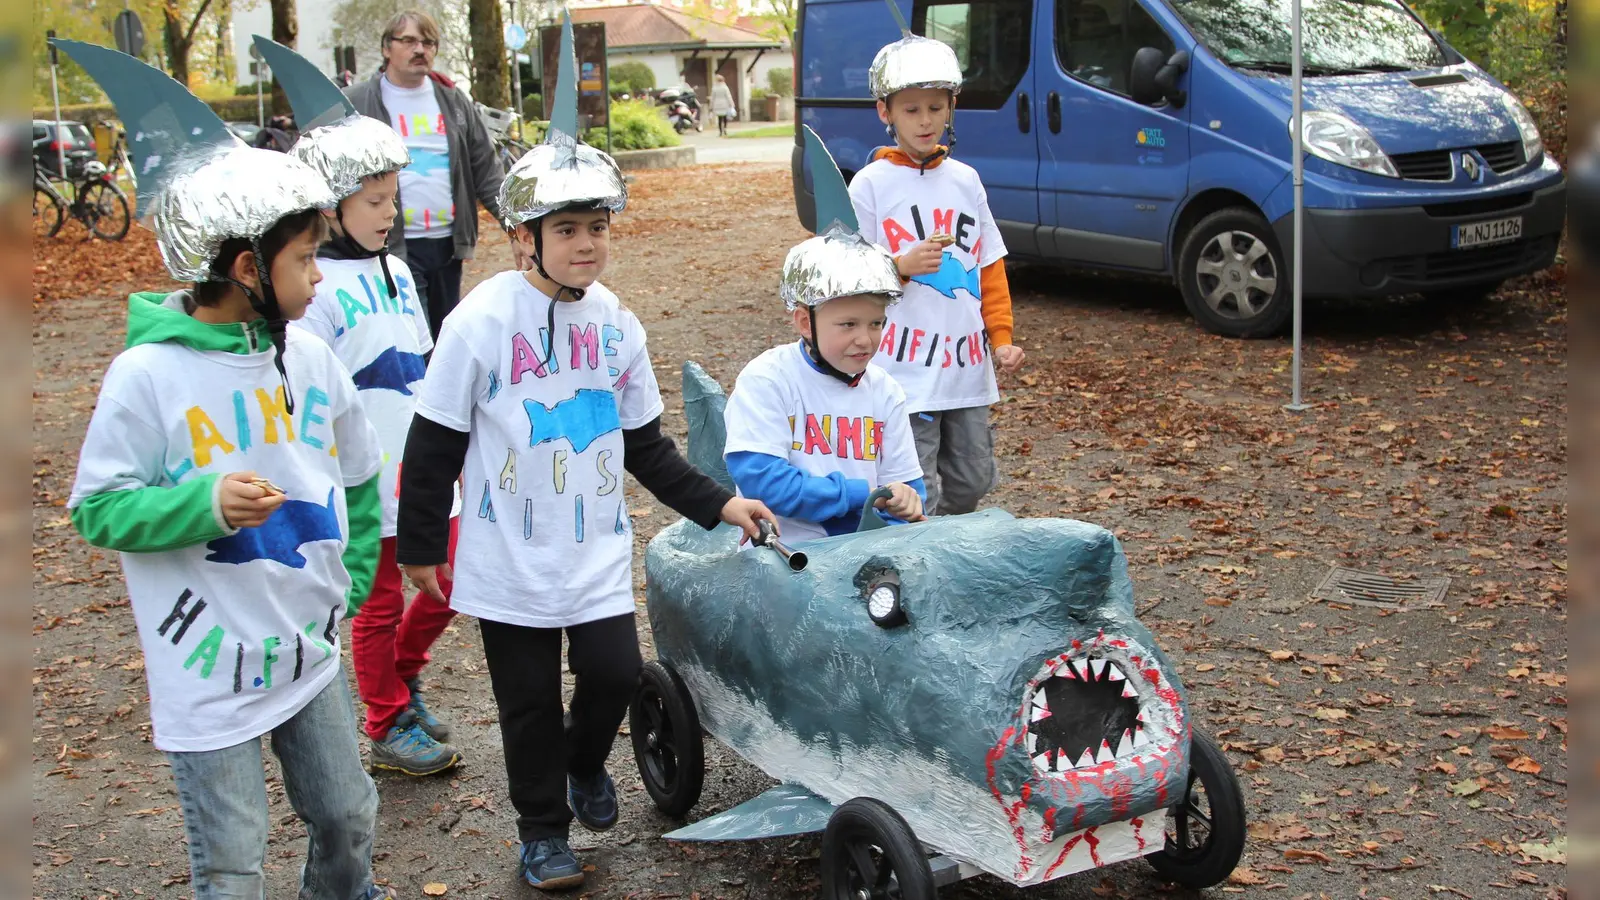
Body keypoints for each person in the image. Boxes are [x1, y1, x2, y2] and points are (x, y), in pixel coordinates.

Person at [393, 14, 776, 892]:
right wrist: (420, 545)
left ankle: (582, 762)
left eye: (597, 226)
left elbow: (646, 446)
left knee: (611, 675)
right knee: (524, 703)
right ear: (522, 236)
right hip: (506, 554)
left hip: (592, 548)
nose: (588, 244)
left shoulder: (616, 326)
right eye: (567, 229)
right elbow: (436, 438)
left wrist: (721, 503)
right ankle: (541, 830)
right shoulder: (480, 321)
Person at [55, 39, 391, 900]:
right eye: (304, 260)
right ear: (246, 270)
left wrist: (348, 579)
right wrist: (202, 504)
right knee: (234, 865)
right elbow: (98, 511)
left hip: (304, 655)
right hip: (208, 676)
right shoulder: (147, 376)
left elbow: (355, 472)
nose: (320, 278)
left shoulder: (310, 356)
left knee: (349, 817)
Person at [254, 35, 465, 778]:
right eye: (374, 202)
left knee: (451, 580)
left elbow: (425, 363)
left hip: (426, 469)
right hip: (369, 475)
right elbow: (309, 389)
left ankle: (398, 681)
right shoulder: (319, 292)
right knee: (377, 603)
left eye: (393, 199)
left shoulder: (402, 271)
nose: (389, 212)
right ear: (331, 209)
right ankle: (382, 716)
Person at [848, 31, 1026, 517]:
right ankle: (917, 570)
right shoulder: (869, 185)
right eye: (911, 110)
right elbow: (848, 276)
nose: (925, 121)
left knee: (974, 478)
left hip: (966, 367)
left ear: (952, 106)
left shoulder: (966, 180)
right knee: (915, 485)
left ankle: (950, 546)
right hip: (905, 372)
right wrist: (900, 268)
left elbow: (988, 263)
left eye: (935, 107)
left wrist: (1002, 334)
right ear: (885, 112)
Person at [724, 127, 925, 541]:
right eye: (847, 325)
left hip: (869, 553)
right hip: (787, 553)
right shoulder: (768, 379)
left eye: (876, 324)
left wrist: (907, 500)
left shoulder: (885, 390)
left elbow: (907, 485)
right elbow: (766, 483)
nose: (865, 340)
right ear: (804, 323)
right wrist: (860, 494)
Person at [344, 9, 508, 339]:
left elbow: (486, 170)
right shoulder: (358, 102)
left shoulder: (454, 101)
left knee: (445, 332)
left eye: (429, 42)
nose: (420, 49)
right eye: (409, 41)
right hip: (392, 244)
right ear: (387, 48)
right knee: (414, 336)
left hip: (448, 244)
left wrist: (519, 228)